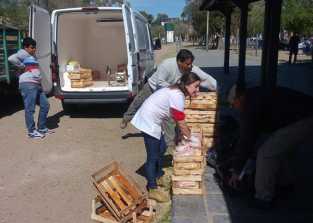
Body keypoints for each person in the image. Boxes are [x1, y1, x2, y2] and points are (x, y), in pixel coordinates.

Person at [226, 85, 313, 208]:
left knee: (266, 154)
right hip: (301, 116)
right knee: (277, 148)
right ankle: (285, 183)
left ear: (239, 98)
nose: (233, 108)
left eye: (232, 104)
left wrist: (236, 171)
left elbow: (247, 139)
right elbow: (252, 135)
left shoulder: (250, 104)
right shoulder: (255, 96)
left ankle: (263, 197)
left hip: (304, 118)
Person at [120, 49, 217, 147]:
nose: (190, 66)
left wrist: (216, 87)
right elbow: (160, 82)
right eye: (187, 64)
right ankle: (126, 118)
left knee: (170, 118)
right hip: (152, 87)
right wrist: (177, 88)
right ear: (179, 61)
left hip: (168, 95)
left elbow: (205, 78)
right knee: (137, 102)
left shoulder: (190, 68)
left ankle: (169, 142)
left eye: (191, 64)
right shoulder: (166, 65)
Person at [131, 72, 201, 202]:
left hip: (155, 120)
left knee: (162, 147)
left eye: (198, 87)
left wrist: (182, 134)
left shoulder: (177, 92)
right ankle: (152, 188)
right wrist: (193, 140)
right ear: (186, 85)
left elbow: (177, 118)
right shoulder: (177, 95)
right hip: (148, 120)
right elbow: (181, 122)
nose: (198, 90)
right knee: (152, 156)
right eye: (195, 86)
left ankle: (158, 174)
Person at [8, 37, 51, 139]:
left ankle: (41, 128)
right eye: (32, 47)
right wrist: (22, 66)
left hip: (36, 84)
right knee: (30, 109)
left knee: (45, 105)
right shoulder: (22, 54)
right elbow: (11, 58)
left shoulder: (31, 56)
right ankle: (31, 132)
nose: (34, 49)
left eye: (35, 47)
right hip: (27, 84)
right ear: (25, 47)